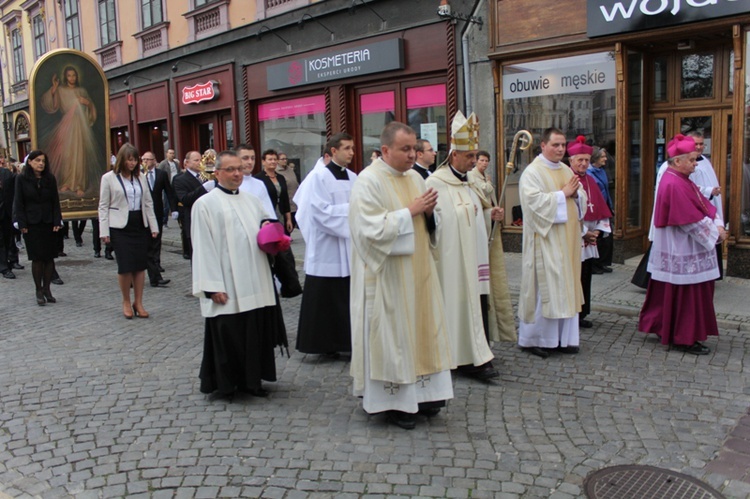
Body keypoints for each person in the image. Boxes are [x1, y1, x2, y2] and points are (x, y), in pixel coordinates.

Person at [349, 122, 453, 430]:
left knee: (422, 332)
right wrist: (409, 211)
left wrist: (431, 213)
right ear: (385, 150)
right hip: (387, 277)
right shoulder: (368, 182)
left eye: (414, 149)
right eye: (405, 149)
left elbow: (431, 220)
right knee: (394, 337)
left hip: (419, 272)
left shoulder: (416, 178)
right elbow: (367, 230)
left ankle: (425, 397)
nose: (412, 155)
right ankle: (394, 404)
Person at [192, 150, 287, 399]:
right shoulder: (205, 204)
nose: (237, 174)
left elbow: (260, 232)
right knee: (229, 333)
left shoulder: (252, 201)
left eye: (240, 169)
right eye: (231, 170)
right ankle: (228, 384)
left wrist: (270, 232)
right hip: (227, 282)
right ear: (217, 173)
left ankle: (252, 381)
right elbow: (203, 247)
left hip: (254, 279)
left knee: (253, 333)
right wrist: (212, 287)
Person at [427, 112, 503, 382]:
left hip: (474, 259)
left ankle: (476, 356)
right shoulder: (435, 183)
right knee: (456, 306)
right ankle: (458, 358)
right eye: (469, 156)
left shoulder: (471, 182)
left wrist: (488, 215)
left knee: (476, 305)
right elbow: (431, 223)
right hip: (451, 262)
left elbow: (473, 214)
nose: (474, 162)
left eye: (475, 156)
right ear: (454, 154)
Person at [638, 134, 727, 354]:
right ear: (678, 161)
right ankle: (683, 337)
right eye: (692, 160)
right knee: (686, 295)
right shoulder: (673, 183)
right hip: (681, 248)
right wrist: (715, 234)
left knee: (670, 292)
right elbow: (689, 222)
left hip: (683, 246)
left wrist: (716, 222)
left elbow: (702, 205)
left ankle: (666, 328)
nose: (696, 164)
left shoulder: (681, 179)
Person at [517, 128, 586, 359]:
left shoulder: (566, 169)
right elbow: (532, 204)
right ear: (543, 146)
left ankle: (563, 339)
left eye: (563, 145)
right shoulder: (532, 172)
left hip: (567, 242)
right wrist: (562, 194)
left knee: (565, 288)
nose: (560, 149)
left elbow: (580, 196)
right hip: (544, 242)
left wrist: (576, 195)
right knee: (543, 290)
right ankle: (535, 339)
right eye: (555, 145)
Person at [294, 133, 357, 357]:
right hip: (326, 248)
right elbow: (319, 213)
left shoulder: (353, 177)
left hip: (349, 248)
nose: (351, 152)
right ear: (332, 151)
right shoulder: (317, 178)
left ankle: (347, 343)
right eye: (347, 148)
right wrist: (352, 213)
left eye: (352, 148)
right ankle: (322, 345)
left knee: (346, 297)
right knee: (325, 300)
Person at [98, 143, 159, 319]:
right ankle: (126, 301)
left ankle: (138, 302)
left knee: (140, 266)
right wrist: (104, 231)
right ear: (121, 160)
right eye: (128, 160)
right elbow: (103, 206)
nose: (132, 164)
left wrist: (153, 226)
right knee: (125, 266)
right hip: (119, 227)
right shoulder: (109, 178)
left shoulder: (141, 178)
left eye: (134, 160)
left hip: (139, 224)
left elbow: (148, 202)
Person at [567, 136, 612, 329]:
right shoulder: (568, 180)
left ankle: (583, 312)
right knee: (574, 275)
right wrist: (584, 232)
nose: (584, 163)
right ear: (571, 161)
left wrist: (599, 231)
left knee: (586, 275)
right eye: (580, 160)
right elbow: (568, 212)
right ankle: (572, 312)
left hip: (590, 238)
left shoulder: (591, 180)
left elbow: (601, 207)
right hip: (574, 237)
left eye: (586, 160)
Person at [12, 151, 63, 305]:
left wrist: (57, 221)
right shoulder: (22, 179)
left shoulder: (50, 179)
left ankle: (47, 288)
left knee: (49, 257)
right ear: (30, 162)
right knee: (37, 258)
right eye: (37, 160)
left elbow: (55, 201)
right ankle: (38, 289)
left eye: (43, 161)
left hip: (48, 222)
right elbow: (18, 202)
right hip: (31, 223)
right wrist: (22, 224)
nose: (41, 163)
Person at [40, 66, 99, 196]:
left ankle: (79, 184)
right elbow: (49, 104)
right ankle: (66, 182)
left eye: (74, 75)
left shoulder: (82, 90)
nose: (72, 78)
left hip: (80, 126)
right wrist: (54, 89)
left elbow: (91, 108)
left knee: (79, 154)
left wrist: (87, 103)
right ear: (65, 77)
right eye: (69, 75)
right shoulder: (61, 90)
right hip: (67, 125)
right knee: (67, 154)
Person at [255, 149, 302, 298]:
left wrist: (289, 219)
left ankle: (290, 284)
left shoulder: (281, 178)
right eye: (269, 159)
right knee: (272, 253)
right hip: (267, 219)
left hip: (281, 217)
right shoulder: (259, 179)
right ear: (263, 161)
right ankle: (271, 284)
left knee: (285, 252)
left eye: (275, 159)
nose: (273, 162)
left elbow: (285, 200)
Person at [687, 131, 724, 279]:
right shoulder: (687, 163)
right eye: (695, 143)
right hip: (699, 208)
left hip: (711, 203)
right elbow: (690, 187)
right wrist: (709, 191)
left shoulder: (704, 160)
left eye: (701, 143)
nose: (699, 146)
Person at [142, 151, 176, 287]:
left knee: (155, 243)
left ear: (154, 161)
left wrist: (174, 209)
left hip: (156, 212)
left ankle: (156, 271)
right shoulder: (138, 175)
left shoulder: (161, 174)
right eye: (143, 159)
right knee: (144, 246)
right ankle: (135, 275)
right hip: (141, 215)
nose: (145, 162)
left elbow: (168, 191)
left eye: (148, 159)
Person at [172, 151, 211, 260]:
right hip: (194, 220)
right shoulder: (180, 179)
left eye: (201, 159)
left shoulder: (208, 175)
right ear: (187, 163)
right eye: (196, 160)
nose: (200, 162)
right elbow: (185, 199)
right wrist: (204, 188)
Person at [588, 147, 614, 274]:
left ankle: (602, 262)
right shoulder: (589, 173)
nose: (605, 158)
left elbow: (606, 189)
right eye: (603, 156)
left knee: (606, 237)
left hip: (605, 206)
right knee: (597, 237)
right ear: (595, 158)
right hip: (596, 207)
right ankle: (594, 264)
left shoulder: (601, 171)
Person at [236, 144, 276, 217]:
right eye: (245, 158)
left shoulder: (259, 184)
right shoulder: (230, 184)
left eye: (253, 158)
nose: (250, 162)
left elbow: (268, 213)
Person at [0, 162, 19, 278]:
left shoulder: (6, 173)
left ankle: (11, 261)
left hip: (6, 213)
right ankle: (4, 267)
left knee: (8, 239)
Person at [276, 152, 300, 227]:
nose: (285, 161)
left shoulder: (290, 170)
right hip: (286, 203)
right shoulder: (277, 172)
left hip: (295, 201)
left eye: (286, 159)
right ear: (278, 161)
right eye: (282, 159)